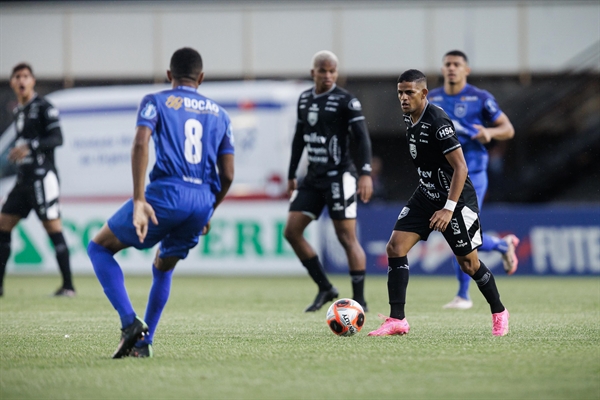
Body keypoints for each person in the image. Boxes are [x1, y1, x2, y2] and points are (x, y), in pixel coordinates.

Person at [87, 47, 234, 358]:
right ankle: (143, 343)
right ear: (202, 78)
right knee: (163, 268)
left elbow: (141, 142)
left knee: (99, 247)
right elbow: (229, 175)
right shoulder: (221, 115)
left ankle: (130, 324)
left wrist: (139, 199)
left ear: (169, 75)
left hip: (167, 193)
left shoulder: (156, 101)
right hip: (202, 199)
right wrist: (210, 209)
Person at [368, 69, 509, 337]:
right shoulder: (410, 117)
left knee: (469, 264)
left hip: (455, 201)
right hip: (427, 194)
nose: (403, 97)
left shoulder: (438, 122)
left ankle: (499, 311)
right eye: (400, 92)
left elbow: (461, 168)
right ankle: (398, 319)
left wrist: (448, 208)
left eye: (409, 92)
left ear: (423, 94)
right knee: (395, 247)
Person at [428, 50, 518, 310]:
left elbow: (508, 129)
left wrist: (488, 133)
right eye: (447, 64)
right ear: (442, 69)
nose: (452, 68)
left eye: (457, 64)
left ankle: (463, 295)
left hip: (473, 172)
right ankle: (502, 244)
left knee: (461, 227)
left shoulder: (480, 98)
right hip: (443, 174)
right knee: (457, 229)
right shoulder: (432, 98)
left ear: (466, 70)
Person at [284, 50, 373, 313]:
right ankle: (325, 287)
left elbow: (363, 138)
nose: (328, 75)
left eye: (332, 71)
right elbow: (299, 138)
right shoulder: (304, 99)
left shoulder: (346, 101)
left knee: (346, 237)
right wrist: (291, 173)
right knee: (291, 231)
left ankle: (360, 301)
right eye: (323, 71)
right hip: (313, 177)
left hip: (340, 176)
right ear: (313, 72)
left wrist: (365, 172)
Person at [0, 63, 75, 297]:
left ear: (32, 81)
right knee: (3, 224)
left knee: (53, 227)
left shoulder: (44, 107)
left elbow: (58, 138)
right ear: (12, 82)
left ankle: (68, 286)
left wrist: (30, 146)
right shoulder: (19, 111)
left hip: (43, 179)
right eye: (17, 77)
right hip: (24, 180)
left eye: (25, 76)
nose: (21, 81)